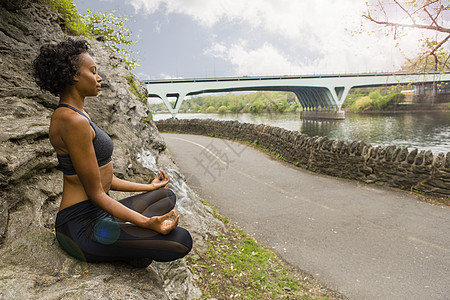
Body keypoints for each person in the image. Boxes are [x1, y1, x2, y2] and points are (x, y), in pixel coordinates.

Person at [33, 38, 192, 266]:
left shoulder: (80, 116)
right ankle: (126, 246)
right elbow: (96, 193)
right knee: (181, 240)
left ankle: (127, 244)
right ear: (74, 75)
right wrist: (146, 224)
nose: (99, 78)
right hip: (81, 227)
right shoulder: (71, 121)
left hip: (101, 212)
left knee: (165, 196)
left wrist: (149, 186)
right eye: (93, 71)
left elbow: (107, 180)